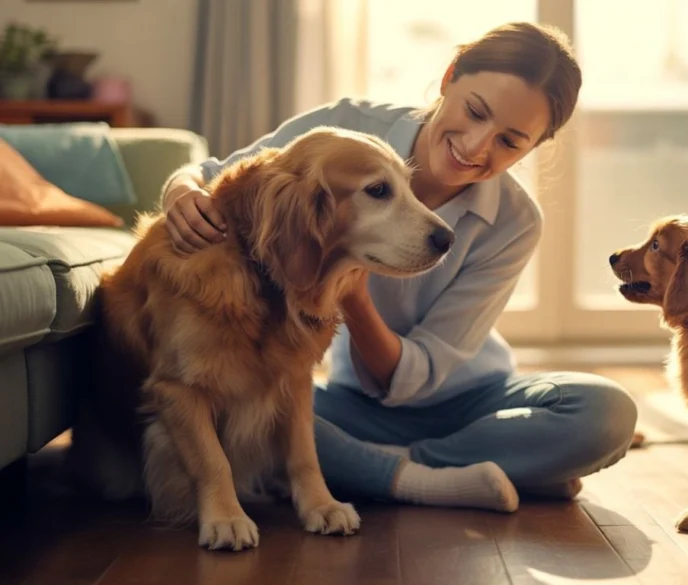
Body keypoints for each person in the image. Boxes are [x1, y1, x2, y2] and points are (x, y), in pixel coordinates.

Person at [158, 21, 638, 513]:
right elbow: (218, 178)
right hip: (354, 408)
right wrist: (180, 191)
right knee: (251, 416)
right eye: (475, 111)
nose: (475, 147)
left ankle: (389, 470)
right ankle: (472, 472)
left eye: (510, 142)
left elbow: (425, 372)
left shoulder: (515, 222)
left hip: (477, 399)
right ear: (450, 75)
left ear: (533, 148)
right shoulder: (348, 128)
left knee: (606, 413)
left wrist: (356, 298)